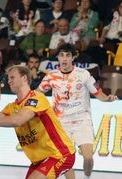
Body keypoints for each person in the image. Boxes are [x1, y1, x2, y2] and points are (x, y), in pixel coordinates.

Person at [37, 43, 118, 179]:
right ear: (58, 57)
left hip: (82, 120)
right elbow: (38, 93)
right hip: (61, 122)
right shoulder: (51, 76)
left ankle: (87, 175)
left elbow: (99, 94)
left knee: (88, 158)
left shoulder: (84, 74)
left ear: (73, 57)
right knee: (65, 159)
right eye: (61, 55)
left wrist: (108, 99)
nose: (64, 59)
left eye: (68, 55)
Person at [0, 65, 76, 179]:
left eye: (12, 77)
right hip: (40, 160)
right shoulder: (11, 107)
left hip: (60, 154)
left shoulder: (37, 98)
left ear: (24, 78)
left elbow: (18, 120)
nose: (9, 81)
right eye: (8, 78)